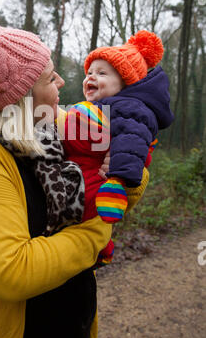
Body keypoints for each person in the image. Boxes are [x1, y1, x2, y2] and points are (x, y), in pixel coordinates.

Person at [0, 0, 149, 338]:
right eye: (47, 77)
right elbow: (11, 273)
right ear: (20, 99)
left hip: (74, 336)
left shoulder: (55, 128)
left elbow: (123, 192)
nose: (60, 82)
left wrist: (124, 169)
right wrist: (99, 228)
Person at [62, 31, 174, 267]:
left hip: (104, 177)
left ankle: (102, 248)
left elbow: (132, 142)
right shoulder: (104, 106)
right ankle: (99, 247)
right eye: (89, 72)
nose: (92, 77)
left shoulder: (130, 108)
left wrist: (118, 178)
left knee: (90, 212)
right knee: (82, 214)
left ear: (124, 82)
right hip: (82, 170)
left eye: (102, 73)